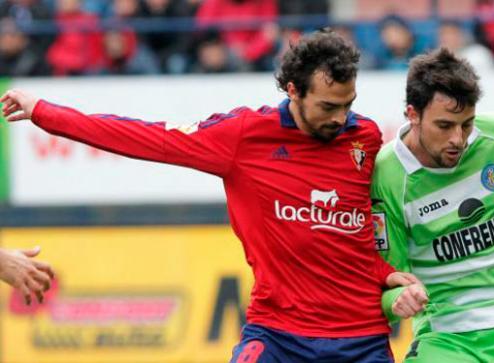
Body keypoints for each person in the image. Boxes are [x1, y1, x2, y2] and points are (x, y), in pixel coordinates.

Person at [1, 30, 418, 363]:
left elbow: (360, 229)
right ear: (293, 90)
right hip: (278, 335)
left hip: (360, 339)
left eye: (348, 105)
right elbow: (142, 137)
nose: (340, 117)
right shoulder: (243, 137)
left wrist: (384, 272)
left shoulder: (362, 137)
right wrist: (43, 111)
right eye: (328, 106)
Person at [372, 48, 494, 362]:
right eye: (445, 125)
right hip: (447, 332)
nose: (458, 139)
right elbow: (393, 278)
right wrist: (397, 300)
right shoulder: (387, 175)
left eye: (466, 124)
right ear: (413, 114)